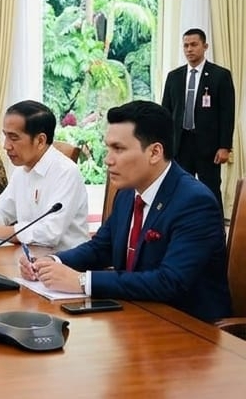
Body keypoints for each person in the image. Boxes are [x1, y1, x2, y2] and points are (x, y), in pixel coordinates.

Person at [19, 101, 231, 323]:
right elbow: (101, 248)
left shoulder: (194, 202)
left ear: (155, 152)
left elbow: (170, 281)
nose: (107, 160)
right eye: (108, 148)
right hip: (135, 316)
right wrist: (51, 262)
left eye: (118, 149)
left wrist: (83, 281)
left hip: (188, 326)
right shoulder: (128, 193)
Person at [0, 100, 89, 251]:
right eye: (5, 136)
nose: (6, 146)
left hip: (65, 259)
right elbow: (3, 211)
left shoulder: (66, 172)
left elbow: (48, 233)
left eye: (13, 138)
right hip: (28, 255)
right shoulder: (22, 169)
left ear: (40, 141)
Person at [161, 28, 235, 213]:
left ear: (205, 46)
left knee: (210, 190)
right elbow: (165, 112)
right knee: (178, 190)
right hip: (180, 144)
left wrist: (225, 146)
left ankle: (215, 228)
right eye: (186, 45)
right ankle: (181, 225)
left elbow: (227, 114)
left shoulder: (220, 75)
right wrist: (165, 143)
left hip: (208, 147)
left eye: (194, 45)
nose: (189, 49)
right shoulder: (174, 76)